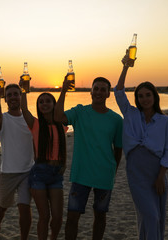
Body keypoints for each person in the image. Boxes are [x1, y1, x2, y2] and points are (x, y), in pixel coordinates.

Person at [114, 52, 168, 239]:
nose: (144, 99)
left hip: (157, 172)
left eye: (148, 95)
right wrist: (125, 66)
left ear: (155, 97)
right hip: (136, 171)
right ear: (136, 99)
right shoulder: (130, 114)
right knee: (150, 215)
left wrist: (160, 176)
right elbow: (118, 91)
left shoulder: (165, 121)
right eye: (140, 96)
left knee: (155, 217)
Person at [54, 75, 123, 240]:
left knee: (100, 216)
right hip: (81, 175)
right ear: (90, 92)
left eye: (103, 90)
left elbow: (118, 149)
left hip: (104, 176)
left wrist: (113, 170)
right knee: (72, 217)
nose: (99, 92)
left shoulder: (116, 120)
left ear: (108, 94)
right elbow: (57, 117)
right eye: (96, 89)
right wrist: (63, 90)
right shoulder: (79, 112)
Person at [20, 87, 67, 240]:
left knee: (58, 216)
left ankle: (53, 237)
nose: (44, 104)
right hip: (39, 174)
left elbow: (61, 109)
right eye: (41, 102)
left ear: (54, 104)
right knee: (44, 216)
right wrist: (23, 90)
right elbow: (24, 108)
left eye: (48, 101)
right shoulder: (35, 124)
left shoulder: (62, 125)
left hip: (56, 174)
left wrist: (64, 90)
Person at [0, 83, 34, 239]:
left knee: (24, 207)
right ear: (5, 99)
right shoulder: (3, 119)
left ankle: (24, 237)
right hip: (8, 173)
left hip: (28, 171)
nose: (13, 97)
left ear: (21, 96)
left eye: (16, 94)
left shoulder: (29, 119)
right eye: (9, 95)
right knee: (1, 207)